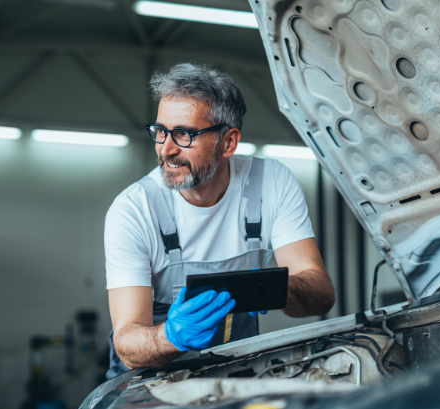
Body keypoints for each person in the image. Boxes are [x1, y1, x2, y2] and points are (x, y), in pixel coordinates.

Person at [104, 63, 335, 378]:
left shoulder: (271, 183)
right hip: (148, 384)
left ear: (228, 142)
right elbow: (128, 345)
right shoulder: (134, 210)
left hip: (234, 370)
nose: (166, 149)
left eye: (183, 134)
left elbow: (321, 293)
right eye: (160, 131)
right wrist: (169, 336)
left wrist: (278, 289)